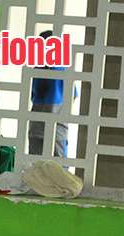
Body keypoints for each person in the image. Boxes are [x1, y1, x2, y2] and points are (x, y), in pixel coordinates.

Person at [28, 30, 75, 158]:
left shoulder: (42, 70)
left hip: (39, 128)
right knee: (58, 172)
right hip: (55, 128)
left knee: (37, 169)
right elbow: (74, 94)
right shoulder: (60, 69)